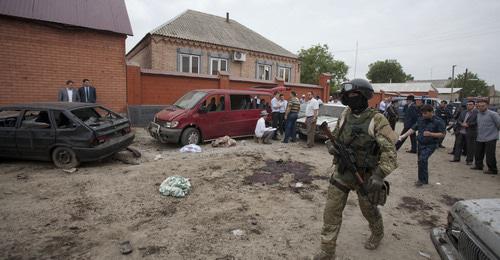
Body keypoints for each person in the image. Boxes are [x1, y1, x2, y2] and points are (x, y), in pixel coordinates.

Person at [313, 79, 398, 260]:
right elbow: (335, 136)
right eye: (347, 96)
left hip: (365, 176)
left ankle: (377, 232)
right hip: (343, 172)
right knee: (331, 212)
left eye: (354, 95)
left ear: (364, 96)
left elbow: (390, 150)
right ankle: (327, 251)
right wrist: (331, 145)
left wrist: (379, 174)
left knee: (368, 210)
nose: (350, 99)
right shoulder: (345, 114)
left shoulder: (377, 119)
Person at [399, 105, 445, 186]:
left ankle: (422, 180)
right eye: (422, 113)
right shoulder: (421, 119)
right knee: (420, 161)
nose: (423, 115)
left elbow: (442, 134)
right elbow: (413, 129)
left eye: (425, 113)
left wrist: (431, 134)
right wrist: (403, 136)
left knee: (422, 159)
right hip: (420, 143)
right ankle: (423, 179)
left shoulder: (438, 121)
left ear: (431, 112)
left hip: (431, 144)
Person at [472, 100, 500, 174]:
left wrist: (495, 134)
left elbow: (499, 125)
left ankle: (493, 169)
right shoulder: (478, 114)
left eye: (483, 106)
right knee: (478, 153)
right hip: (480, 137)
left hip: (491, 138)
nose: (480, 107)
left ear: (487, 105)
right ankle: (479, 165)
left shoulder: (493, 114)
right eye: (479, 106)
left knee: (490, 155)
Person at [450, 100, 477, 165]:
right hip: (461, 131)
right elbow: (458, 120)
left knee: (470, 147)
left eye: (470, 104)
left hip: (470, 132)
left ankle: (469, 160)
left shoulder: (477, 113)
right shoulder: (463, 112)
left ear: (474, 105)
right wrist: (461, 123)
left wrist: (468, 124)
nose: (468, 105)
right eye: (467, 104)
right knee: (458, 145)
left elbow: (477, 122)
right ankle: (456, 158)